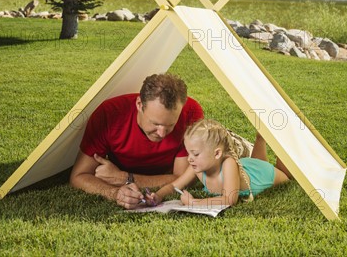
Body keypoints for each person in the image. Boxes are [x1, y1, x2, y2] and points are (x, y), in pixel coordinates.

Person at [69, 73, 204, 209]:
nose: (161, 133)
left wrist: (124, 178)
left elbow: (182, 178)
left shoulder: (190, 111)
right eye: (155, 123)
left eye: (170, 125)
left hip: (122, 172)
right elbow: (79, 176)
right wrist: (116, 193)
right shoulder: (109, 114)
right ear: (139, 104)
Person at [145, 119, 290, 208]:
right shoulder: (198, 167)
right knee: (257, 162)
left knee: (288, 177)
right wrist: (158, 195)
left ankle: (284, 139)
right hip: (249, 165)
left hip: (262, 174)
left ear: (217, 153)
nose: (189, 158)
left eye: (195, 154)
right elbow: (174, 185)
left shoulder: (229, 164)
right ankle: (261, 139)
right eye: (189, 153)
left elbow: (229, 199)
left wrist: (194, 203)